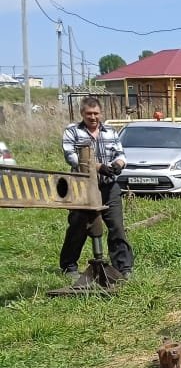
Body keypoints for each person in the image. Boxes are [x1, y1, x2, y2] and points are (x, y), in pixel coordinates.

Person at [59, 97, 134, 278]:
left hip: (109, 186)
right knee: (79, 225)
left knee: (116, 226)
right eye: (89, 114)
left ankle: (123, 268)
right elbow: (71, 157)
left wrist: (119, 164)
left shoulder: (111, 131)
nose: (93, 117)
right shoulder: (72, 131)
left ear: (101, 113)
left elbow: (121, 153)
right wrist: (99, 166)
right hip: (82, 187)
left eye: (96, 113)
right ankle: (69, 266)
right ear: (82, 114)